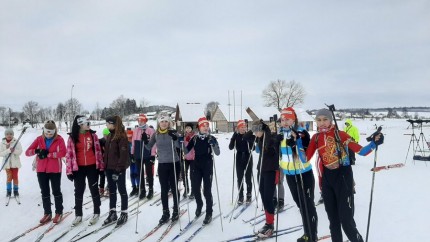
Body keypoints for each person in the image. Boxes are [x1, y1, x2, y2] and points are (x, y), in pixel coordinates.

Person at [306, 109, 383, 242]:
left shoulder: (340, 135)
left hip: (343, 177)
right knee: (333, 220)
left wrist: (374, 143)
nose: (322, 123)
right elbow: (305, 158)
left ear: (330, 120)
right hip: (327, 179)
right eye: (319, 120)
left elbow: (362, 151)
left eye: (325, 119)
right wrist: (297, 143)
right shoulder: (316, 138)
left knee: (346, 220)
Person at [278, 107, 318, 242]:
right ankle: (307, 233)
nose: (284, 122)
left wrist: (296, 142)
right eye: (282, 119)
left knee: (308, 205)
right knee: (301, 205)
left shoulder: (301, 132)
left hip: (303, 174)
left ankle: (312, 236)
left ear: (293, 119)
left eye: (287, 119)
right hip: (290, 175)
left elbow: (305, 155)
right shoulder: (280, 134)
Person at [65, 115, 104, 226]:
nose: (89, 125)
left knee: (93, 189)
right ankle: (78, 215)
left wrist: (100, 167)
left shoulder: (93, 135)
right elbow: (69, 155)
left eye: (89, 123)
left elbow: (98, 152)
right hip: (79, 168)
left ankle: (96, 212)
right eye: (87, 123)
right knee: (79, 190)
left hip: (92, 166)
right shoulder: (72, 137)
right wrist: (69, 170)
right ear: (80, 125)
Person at [25, 120, 66, 224]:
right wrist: (37, 151)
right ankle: (47, 213)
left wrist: (49, 154)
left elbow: (63, 152)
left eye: (51, 133)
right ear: (44, 131)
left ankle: (59, 212)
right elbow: (27, 152)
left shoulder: (59, 139)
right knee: (44, 192)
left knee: (56, 191)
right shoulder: (39, 139)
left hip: (55, 169)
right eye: (47, 132)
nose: (48, 135)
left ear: (54, 132)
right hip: (41, 170)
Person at [246, 120, 281, 238]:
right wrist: (254, 128)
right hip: (261, 171)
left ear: (262, 130)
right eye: (254, 131)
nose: (255, 134)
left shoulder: (272, 137)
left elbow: (271, 147)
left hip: (271, 171)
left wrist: (266, 129)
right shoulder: (259, 138)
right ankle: (268, 222)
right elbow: (246, 137)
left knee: (268, 198)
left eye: (257, 131)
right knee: (263, 198)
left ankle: (270, 225)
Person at [144, 115, 181, 224]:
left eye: (166, 121)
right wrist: (145, 141)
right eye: (162, 121)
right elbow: (149, 147)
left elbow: (180, 146)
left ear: (169, 123)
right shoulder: (156, 134)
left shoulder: (173, 132)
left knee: (174, 188)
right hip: (162, 164)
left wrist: (175, 139)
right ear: (159, 123)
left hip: (174, 163)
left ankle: (176, 210)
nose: (164, 123)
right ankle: (165, 212)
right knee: (164, 189)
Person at [186, 117, 220, 224]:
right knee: (195, 188)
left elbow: (218, 152)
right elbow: (186, 150)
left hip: (207, 167)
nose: (205, 127)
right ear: (199, 127)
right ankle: (199, 204)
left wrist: (213, 144)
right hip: (196, 166)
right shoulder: (194, 139)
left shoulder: (211, 138)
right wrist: (180, 142)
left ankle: (209, 212)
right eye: (203, 126)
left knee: (207, 191)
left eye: (207, 125)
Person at [103, 116, 130, 226]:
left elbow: (123, 155)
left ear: (113, 124)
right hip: (109, 168)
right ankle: (112, 212)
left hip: (118, 169)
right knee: (112, 191)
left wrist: (118, 170)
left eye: (107, 123)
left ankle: (124, 213)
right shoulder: (109, 135)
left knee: (122, 190)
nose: (106, 125)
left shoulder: (121, 136)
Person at [131, 114, 156, 200]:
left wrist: (153, 155)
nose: (140, 122)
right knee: (140, 173)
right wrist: (132, 153)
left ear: (145, 121)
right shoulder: (135, 130)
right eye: (139, 120)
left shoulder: (150, 130)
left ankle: (151, 190)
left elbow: (153, 144)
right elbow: (133, 143)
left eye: (142, 120)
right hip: (138, 154)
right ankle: (142, 190)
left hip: (148, 154)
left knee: (149, 173)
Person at [228, 120, 254, 204]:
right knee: (240, 178)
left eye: (245, 127)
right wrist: (233, 137)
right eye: (241, 127)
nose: (243, 128)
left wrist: (250, 140)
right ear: (238, 128)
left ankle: (249, 195)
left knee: (248, 178)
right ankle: (241, 196)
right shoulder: (236, 136)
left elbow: (253, 148)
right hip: (239, 157)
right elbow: (231, 147)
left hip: (247, 156)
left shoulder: (249, 135)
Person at [1, 128, 23, 197]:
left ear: (13, 135)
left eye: (10, 134)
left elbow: (20, 152)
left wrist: (14, 150)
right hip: (7, 164)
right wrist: (8, 150)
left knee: (15, 177)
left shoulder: (16, 142)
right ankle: (8, 191)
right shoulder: (2, 143)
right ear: (5, 135)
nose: (9, 135)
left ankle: (16, 191)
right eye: (7, 134)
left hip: (15, 164)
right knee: (9, 177)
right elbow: (1, 153)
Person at [182, 123, 195, 199]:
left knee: (192, 175)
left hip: (193, 158)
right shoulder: (184, 137)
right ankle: (186, 188)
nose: (188, 129)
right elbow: (182, 147)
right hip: (186, 158)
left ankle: (193, 191)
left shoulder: (194, 137)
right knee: (184, 174)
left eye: (189, 128)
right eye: (186, 128)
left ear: (192, 129)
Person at [127, 127, 139, 197]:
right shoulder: (127, 143)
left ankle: (138, 187)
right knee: (132, 174)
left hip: (136, 160)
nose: (129, 139)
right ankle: (134, 187)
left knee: (137, 173)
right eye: (128, 138)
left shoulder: (135, 141)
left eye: (130, 137)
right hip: (130, 161)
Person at [98, 128, 110, 197]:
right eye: (104, 135)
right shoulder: (101, 141)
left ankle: (109, 188)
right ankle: (101, 188)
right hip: (102, 161)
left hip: (109, 161)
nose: (106, 137)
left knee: (108, 175)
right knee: (102, 175)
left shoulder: (111, 141)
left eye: (107, 135)